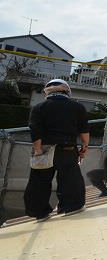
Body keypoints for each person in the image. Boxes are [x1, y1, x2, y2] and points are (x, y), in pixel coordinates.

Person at [24, 78, 89, 221]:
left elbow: (36, 132)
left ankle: (40, 213)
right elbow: (84, 131)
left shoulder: (38, 108)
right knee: (70, 178)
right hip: (67, 149)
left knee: (39, 181)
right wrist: (84, 147)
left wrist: (38, 150)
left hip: (44, 148)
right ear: (67, 91)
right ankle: (71, 207)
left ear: (47, 92)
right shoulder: (78, 107)